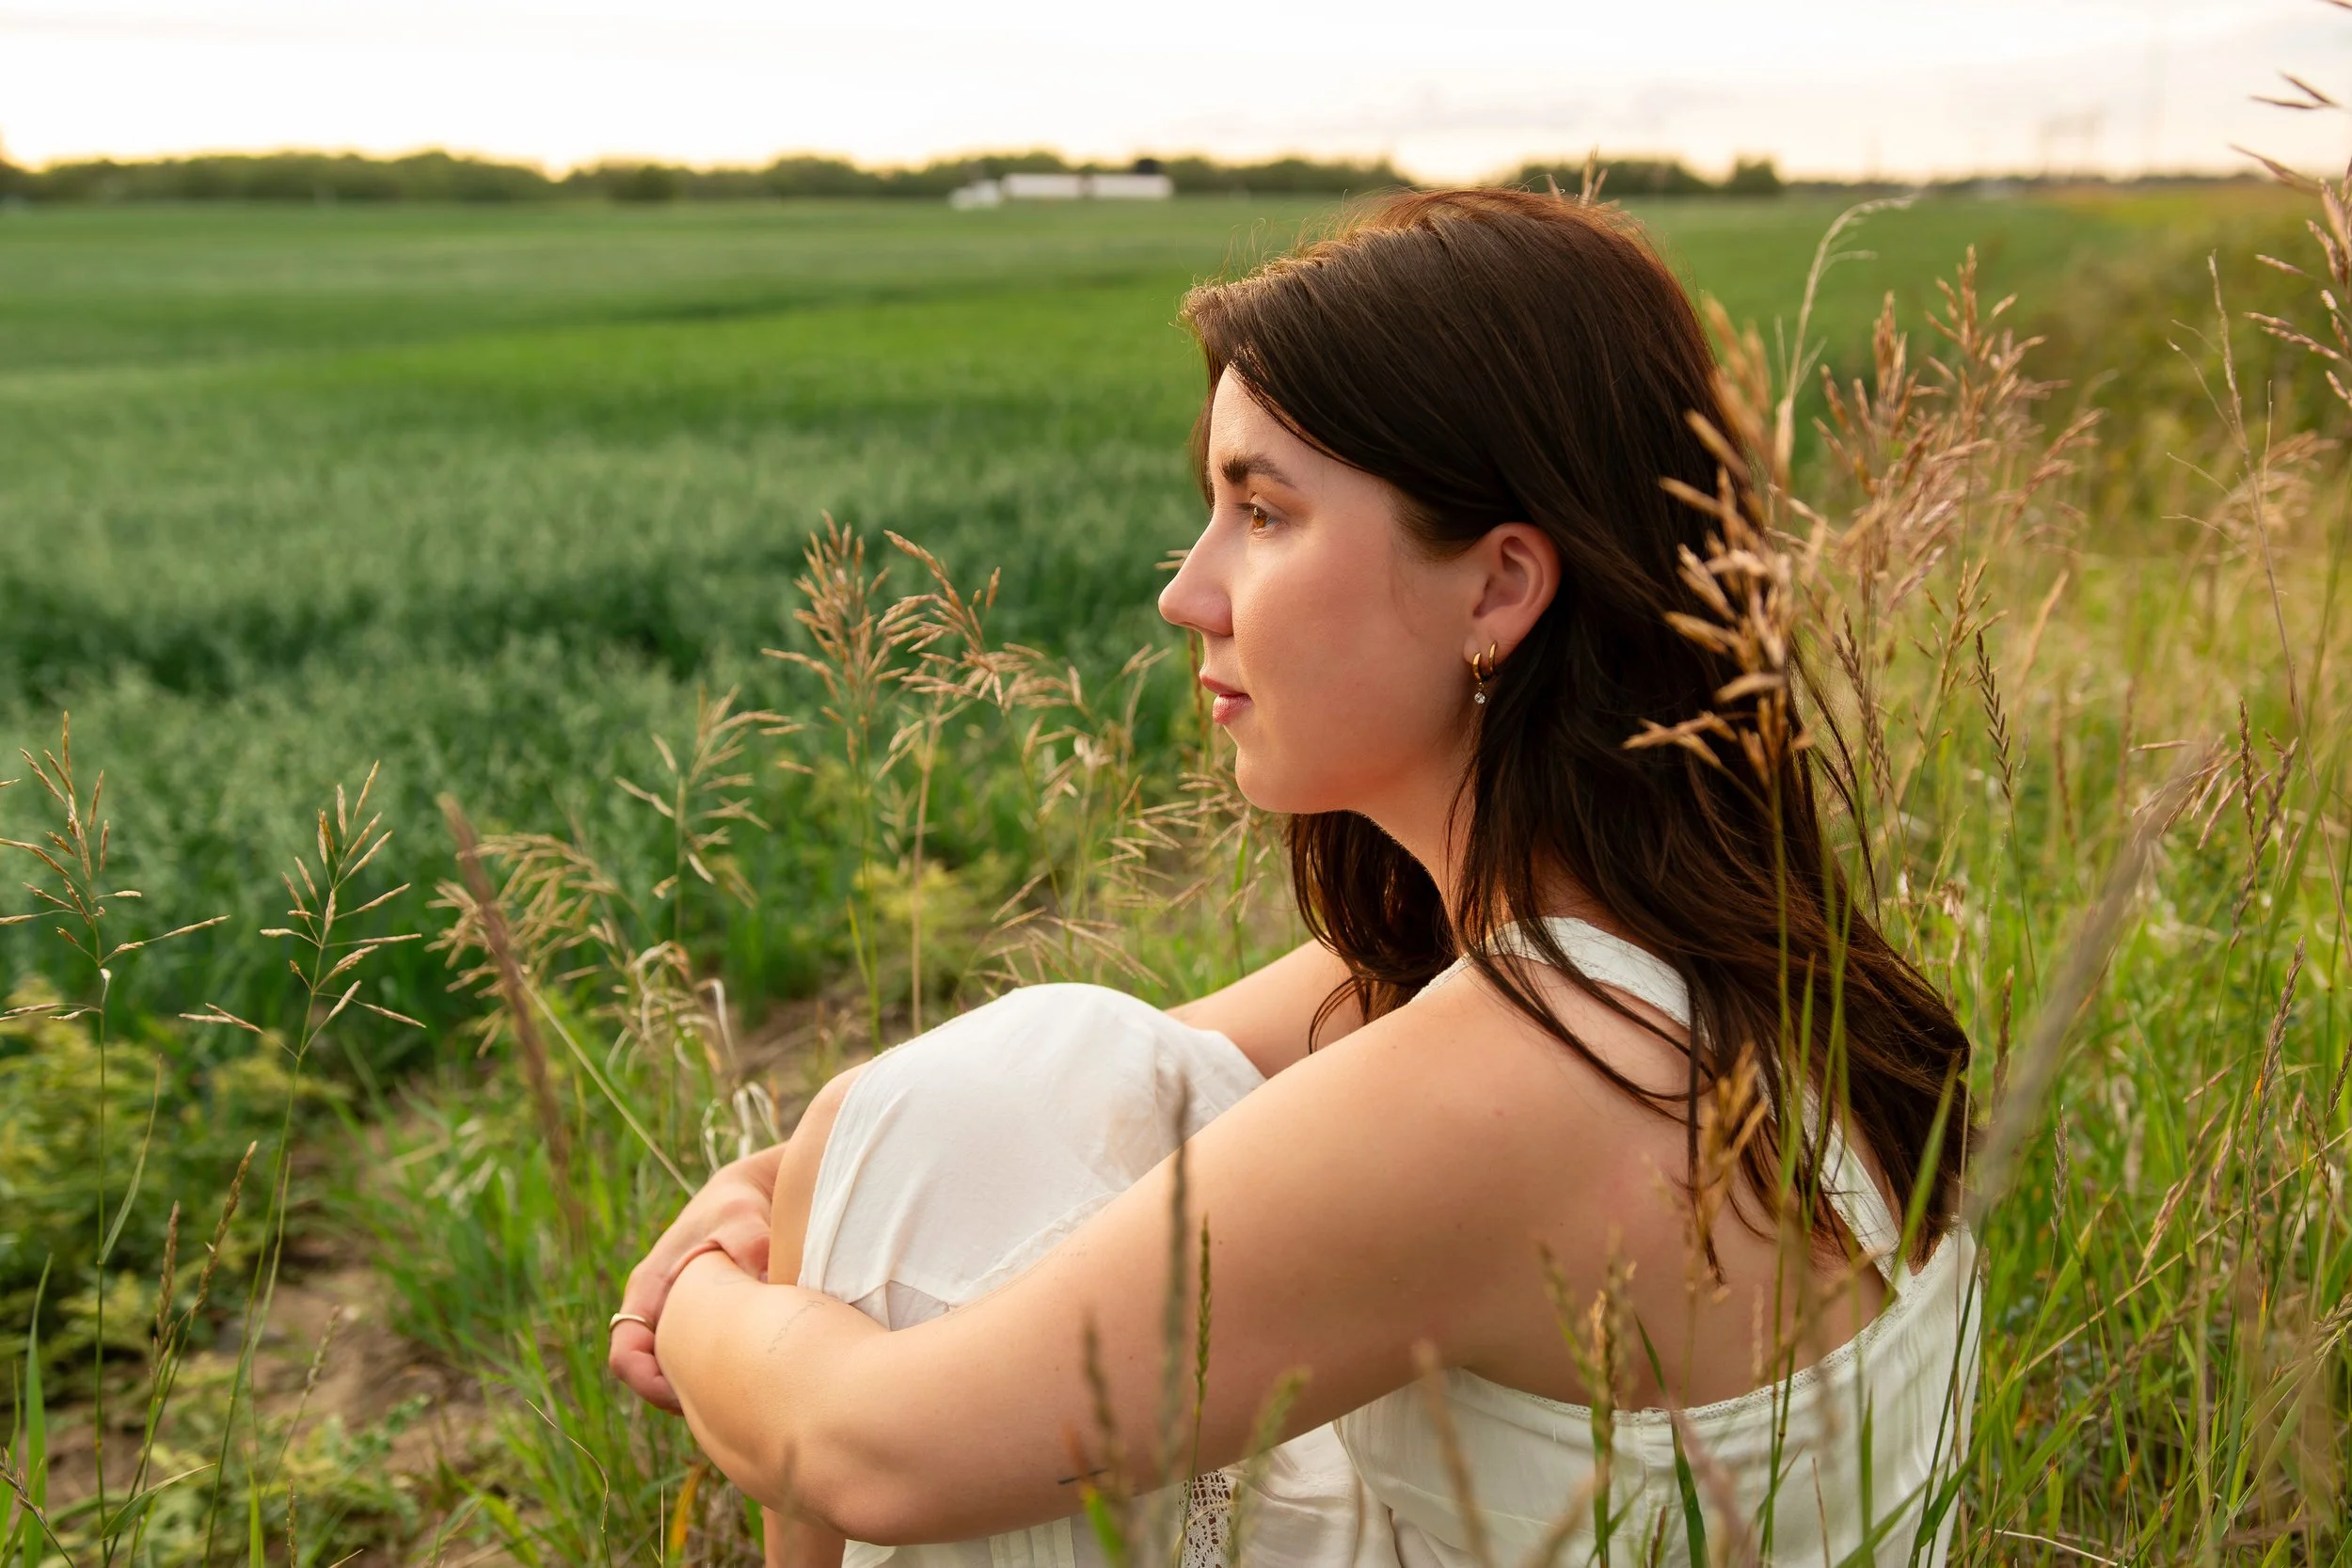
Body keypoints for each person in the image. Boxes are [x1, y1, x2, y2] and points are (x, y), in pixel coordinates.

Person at [607, 187, 1981, 1568]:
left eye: (1261, 512)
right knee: (970, 1093)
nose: (1186, 591)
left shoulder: (1531, 1075)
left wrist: (706, 1291)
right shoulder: (1656, 934)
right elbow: (1082, 1088)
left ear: (1499, 590)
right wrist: (790, 1175)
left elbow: (873, 1453)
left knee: (940, 1141)